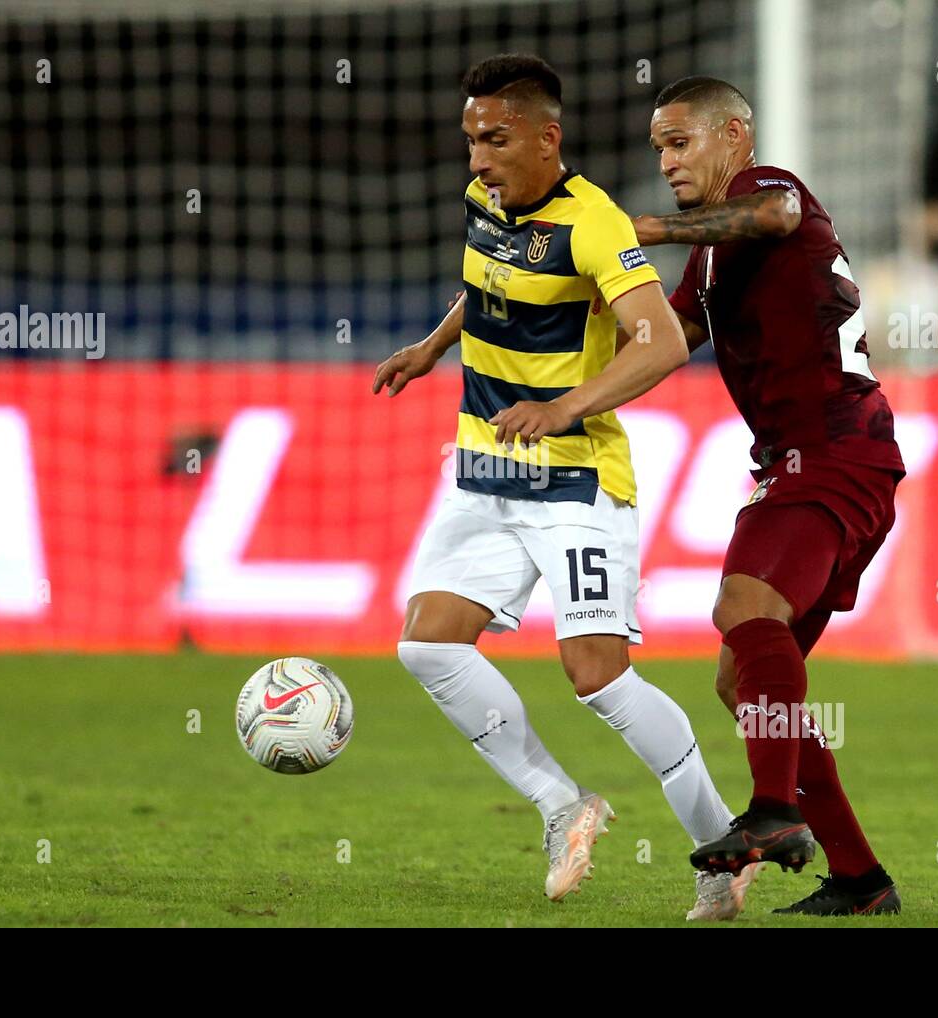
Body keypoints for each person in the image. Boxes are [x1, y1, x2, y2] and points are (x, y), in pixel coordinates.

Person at [373, 54, 758, 920]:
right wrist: (436, 346)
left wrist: (563, 407)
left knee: (598, 675)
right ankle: (561, 804)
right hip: (483, 465)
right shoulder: (486, 202)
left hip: (576, 479)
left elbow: (658, 341)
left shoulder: (596, 224)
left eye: (495, 139)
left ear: (547, 139)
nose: (477, 158)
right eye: (471, 139)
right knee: (428, 644)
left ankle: (722, 852)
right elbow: (490, 281)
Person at [631, 75, 906, 915]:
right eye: (659, 150)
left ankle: (778, 814)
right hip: (821, 460)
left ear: (734, 135)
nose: (668, 161)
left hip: (828, 450)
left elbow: (776, 218)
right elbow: (668, 336)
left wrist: (636, 228)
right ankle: (860, 880)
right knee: (741, 675)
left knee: (745, 604)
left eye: (680, 142)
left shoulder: (767, 192)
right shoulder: (712, 249)